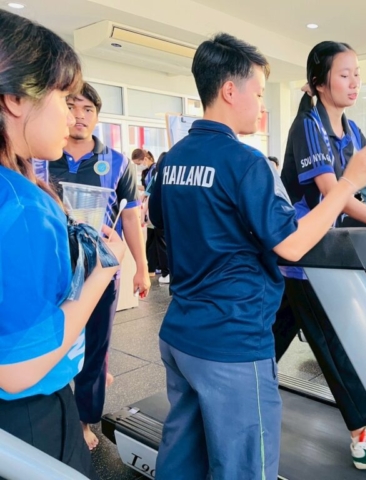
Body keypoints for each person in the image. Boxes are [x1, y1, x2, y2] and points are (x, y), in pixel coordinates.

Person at [148, 33, 366, 480]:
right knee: (245, 469)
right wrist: (348, 183)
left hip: (181, 335)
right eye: (257, 93)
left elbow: (162, 220)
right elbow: (291, 245)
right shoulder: (246, 163)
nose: (260, 105)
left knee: (182, 461)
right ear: (229, 91)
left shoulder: (172, 159)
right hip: (232, 343)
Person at [274, 41, 366, 471]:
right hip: (303, 254)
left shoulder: (353, 132)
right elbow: (331, 191)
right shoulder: (308, 126)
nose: (354, 82)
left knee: (274, 333)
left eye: (357, 74)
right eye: (344, 74)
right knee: (331, 340)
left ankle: (237, 393)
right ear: (320, 82)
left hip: (325, 252)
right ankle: (361, 437)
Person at [0, 10, 125, 477]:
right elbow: (18, 369)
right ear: (15, 98)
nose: (73, 117)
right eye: (63, 98)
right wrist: (103, 273)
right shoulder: (22, 204)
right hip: (29, 414)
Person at [34, 82, 151, 450]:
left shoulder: (117, 162)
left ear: (97, 116)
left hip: (100, 272)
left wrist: (142, 266)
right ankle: (51, 411)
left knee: (96, 348)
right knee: (52, 340)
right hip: (51, 270)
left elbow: (130, 218)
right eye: (72, 106)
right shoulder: (40, 155)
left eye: (88, 109)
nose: (79, 116)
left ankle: (85, 420)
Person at [142, 152, 170, 284]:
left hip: (157, 217)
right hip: (170, 216)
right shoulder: (172, 174)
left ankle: (165, 272)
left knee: (159, 245)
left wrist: (144, 215)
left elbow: (147, 196)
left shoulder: (156, 176)